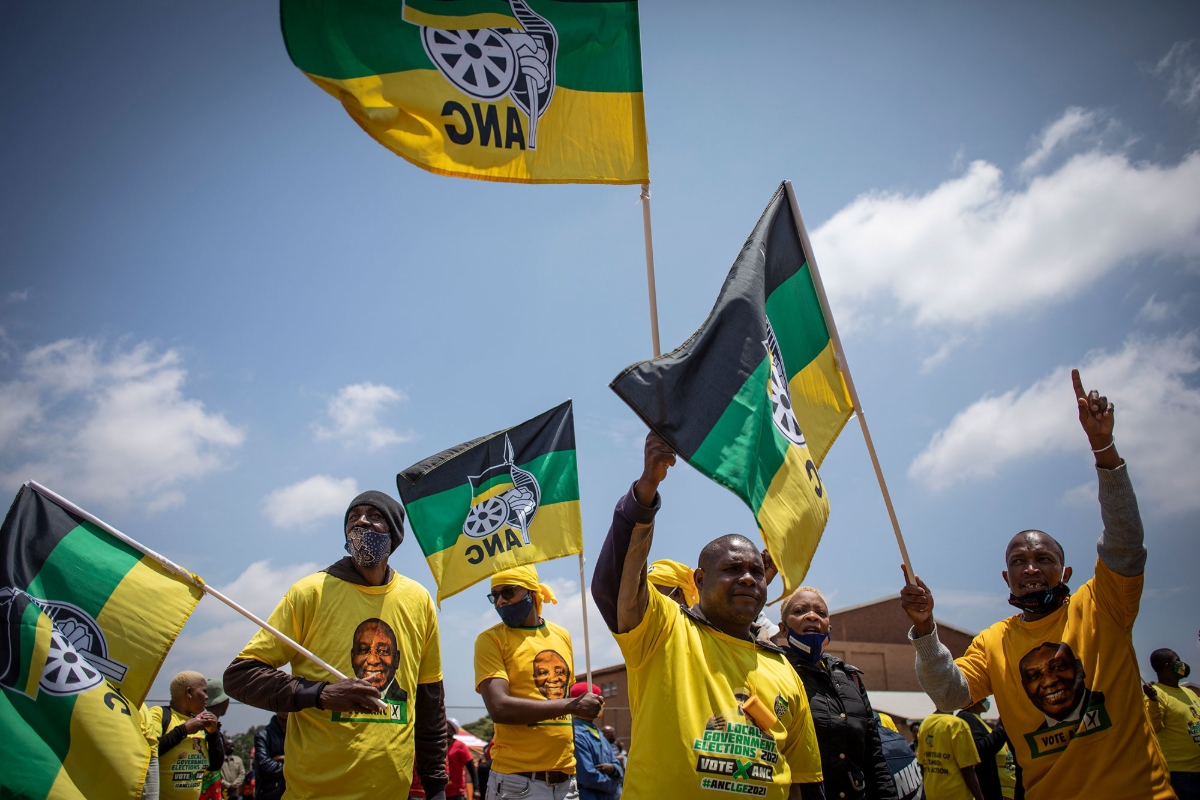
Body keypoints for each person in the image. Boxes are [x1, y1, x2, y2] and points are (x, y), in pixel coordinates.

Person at [900, 370, 1172, 800]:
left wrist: (1103, 448)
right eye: (1019, 562)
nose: (1030, 568)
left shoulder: (1103, 605)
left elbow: (1125, 542)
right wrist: (925, 630)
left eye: (1043, 559)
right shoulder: (993, 642)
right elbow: (950, 695)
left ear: (1065, 574)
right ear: (1006, 578)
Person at [591, 431, 824, 799]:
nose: (748, 578)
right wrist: (646, 488)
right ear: (699, 579)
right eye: (732, 569)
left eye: (756, 573)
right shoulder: (663, 631)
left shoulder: (784, 671)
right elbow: (615, 582)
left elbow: (803, 781)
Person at [224, 491, 448, 799]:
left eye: (375, 516)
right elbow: (240, 676)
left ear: (395, 535)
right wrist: (322, 694)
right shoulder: (310, 592)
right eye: (353, 517)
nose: (361, 521)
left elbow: (429, 701)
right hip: (314, 792)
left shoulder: (419, 599)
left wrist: (436, 785)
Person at [475, 564, 601, 800]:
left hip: (567, 784)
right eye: (495, 595)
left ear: (532, 592)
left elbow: (562, 698)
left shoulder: (561, 635)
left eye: (508, 592)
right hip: (517, 783)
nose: (500, 601)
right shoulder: (491, 640)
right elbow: (499, 708)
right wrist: (572, 705)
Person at [774, 584, 897, 800]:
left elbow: (874, 757)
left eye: (821, 613)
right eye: (800, 611)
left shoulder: (850, 678)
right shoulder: (774, 671)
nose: (812, 616)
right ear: (783, 629)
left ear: (829, 628)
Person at [145, 671, 226, 800]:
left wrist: (213, 734)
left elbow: (215, 765)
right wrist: (184, 730)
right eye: (204, 691)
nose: (207, 697)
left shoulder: (201, 723)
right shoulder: (159, 714)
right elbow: (149, 752)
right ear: (189, 693)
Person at [1145, 648, 1200, 799]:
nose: (1182, 664)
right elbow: (1153, 727)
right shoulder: (1156, 693)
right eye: (1178, 660)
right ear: (1167, 665)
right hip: (1181, 775)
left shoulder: (1189, 692)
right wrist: (1153, 701)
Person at [570, 682, 624, 800]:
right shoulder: (576, 734)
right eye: (598, 700)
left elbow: (616, 764)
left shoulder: (598, 732)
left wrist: (614, 769)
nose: (601, 704)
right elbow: (587, 775)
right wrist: (614, 785)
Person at [916, 711, 983, 800]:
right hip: (956, 795)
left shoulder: (925, 723)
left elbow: (922, 764)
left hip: (932, 794)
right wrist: (980, 797)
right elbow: (967, 769)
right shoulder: (957, 724)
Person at [955, 700, 1005, 800]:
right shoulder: (966, 717)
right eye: (985, 696)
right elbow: (980, 750)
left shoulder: (976, 719)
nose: (987, 699)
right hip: (984, 791)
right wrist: (1001, 728)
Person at [254, 710, 287, 800]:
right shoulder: (262, 735)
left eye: (289, 702)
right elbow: (263, 767)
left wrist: (283, 759)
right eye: (282, 703)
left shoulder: (301, 734)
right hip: (270, 794)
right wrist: (293, 767)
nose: (286, 708)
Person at [218, 735, 246, 799]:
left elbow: (242, 774)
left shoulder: (238, 760)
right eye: (229, 746)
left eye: (233, 746)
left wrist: (234, 785)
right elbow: (216, 776)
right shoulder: (218, 760)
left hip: (235, 793)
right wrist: (228, 786)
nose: (232, 748)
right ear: (224, 747)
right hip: (222, 793)